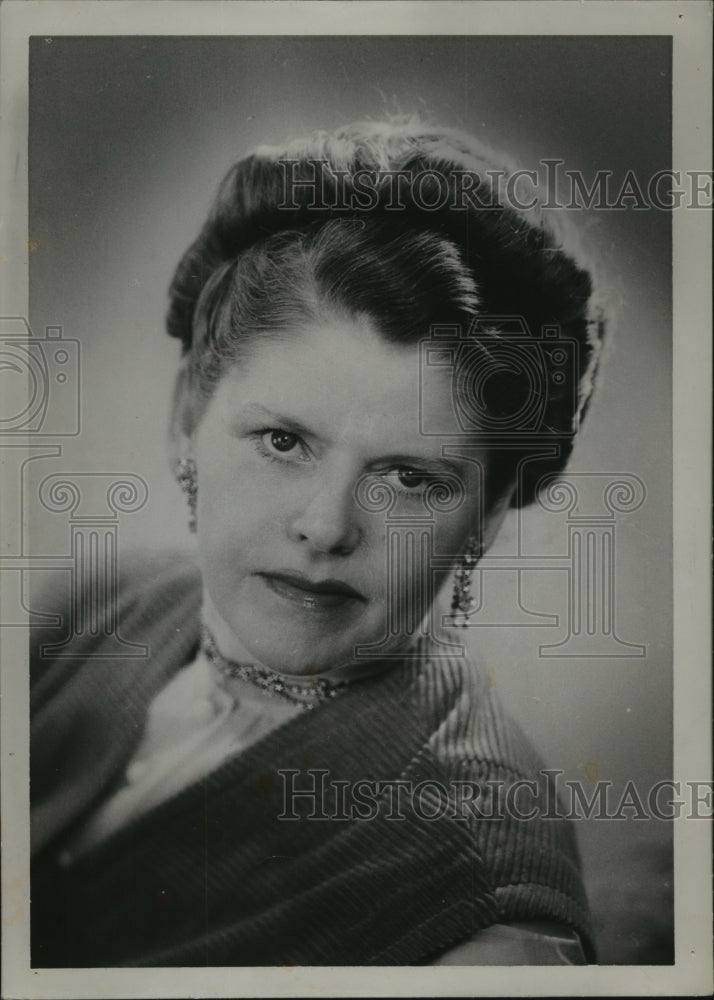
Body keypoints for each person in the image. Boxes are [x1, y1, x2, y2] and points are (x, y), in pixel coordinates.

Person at [30, 117, 605, 967]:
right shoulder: (99, 605)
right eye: (283, 442)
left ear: (488, 512)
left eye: (410, 478)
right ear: (187, 420)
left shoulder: (489, 927)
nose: (327, 527)